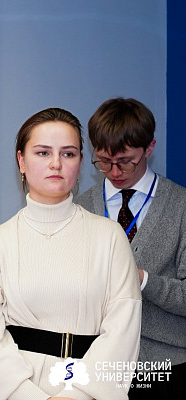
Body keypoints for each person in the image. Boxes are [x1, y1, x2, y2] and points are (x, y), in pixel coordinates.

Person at [0, 108, 142, 400]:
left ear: (80, 162)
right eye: (43, 153)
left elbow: (122, 334)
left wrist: (76, 395)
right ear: (22, 161)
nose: (56, 163)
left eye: (68, 154)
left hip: (89, 393)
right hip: (9, 394)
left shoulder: (110, 238)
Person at [77, 97, 186, 398]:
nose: (114, 171)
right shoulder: (81, 208)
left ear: (149, 148)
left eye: (125, 161)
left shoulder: (181, 207)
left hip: (166, 362)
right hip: (96, 361)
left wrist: (142, 279)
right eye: (103, 161)